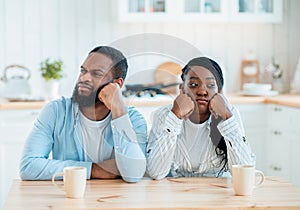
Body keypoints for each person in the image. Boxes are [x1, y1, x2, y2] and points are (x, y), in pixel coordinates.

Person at [19, 46, 147, 182]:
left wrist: (120, 111)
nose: (84, 78)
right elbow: (28, 167)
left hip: (115, 200)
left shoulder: (133, 119)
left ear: (117, 84)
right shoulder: (56, 111)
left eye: (97, 74)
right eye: (83, 71)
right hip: (69, 198)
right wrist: (95, 169)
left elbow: (134, 174)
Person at [146, 56, 256, 179]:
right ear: (182, 90)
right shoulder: (164, 115)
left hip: (219, 193)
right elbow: (156, 172)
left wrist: (227, 117)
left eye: (210, 85)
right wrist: (175, 117)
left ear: (219, 92)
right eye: (193, 84)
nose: (202, 91)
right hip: (177, 192)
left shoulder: (230, 114)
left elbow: (245, 175)